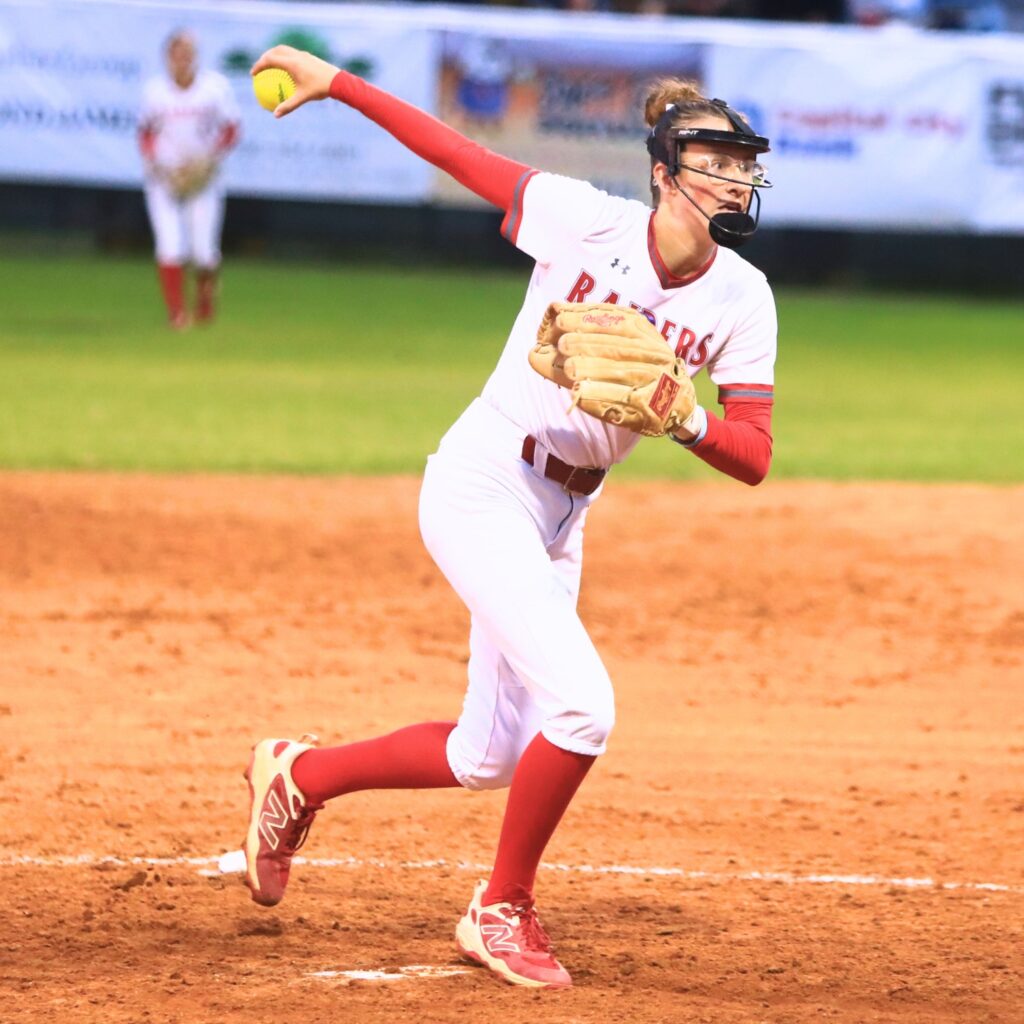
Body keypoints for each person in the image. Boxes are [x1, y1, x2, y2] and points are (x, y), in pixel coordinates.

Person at [241, 44, 776, 991]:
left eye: (742, 164)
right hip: (485, 479)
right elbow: (456, 155)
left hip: (565, 514)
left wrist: (685, 416)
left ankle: (299, 776)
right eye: (713, 161)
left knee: (486, 754)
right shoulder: (582, 220)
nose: (734, 179)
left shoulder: (744, 297)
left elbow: (754, 455)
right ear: (663, 173)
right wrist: (338, 85)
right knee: (583, 708)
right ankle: (500, 909)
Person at [138, 31, 241, 329]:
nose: (182, 60)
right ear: (167, 57)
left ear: (196, 56)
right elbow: (144, 133)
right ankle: (177, 314)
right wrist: (158, 166)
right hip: (165, 177)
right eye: (176, 53)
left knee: (203, 249)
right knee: (170, 245)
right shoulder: (155, 91)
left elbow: (232, 129)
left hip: (203, 176)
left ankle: (205, 305)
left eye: (188, 53)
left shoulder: (213, 89)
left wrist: (208, 160)